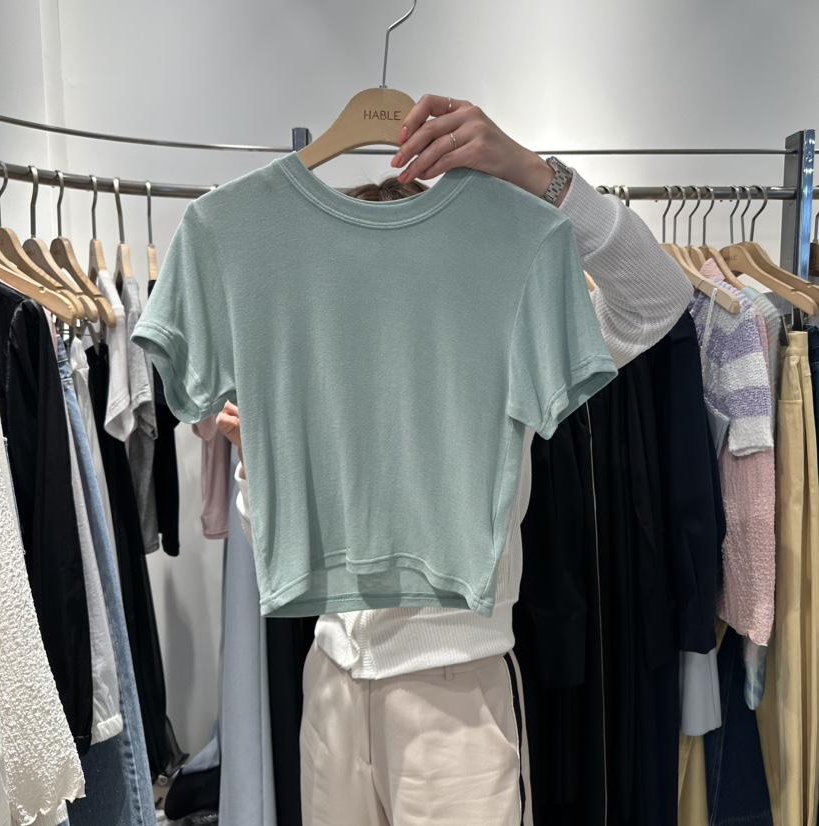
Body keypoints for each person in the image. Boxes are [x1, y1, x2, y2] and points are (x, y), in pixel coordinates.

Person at [215, 94, 694, 826]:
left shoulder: (492, 349)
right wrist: (261, 465)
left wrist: (534, 174)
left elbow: (656, 297)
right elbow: (282, 555)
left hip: (453, 702)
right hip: (329, 688)